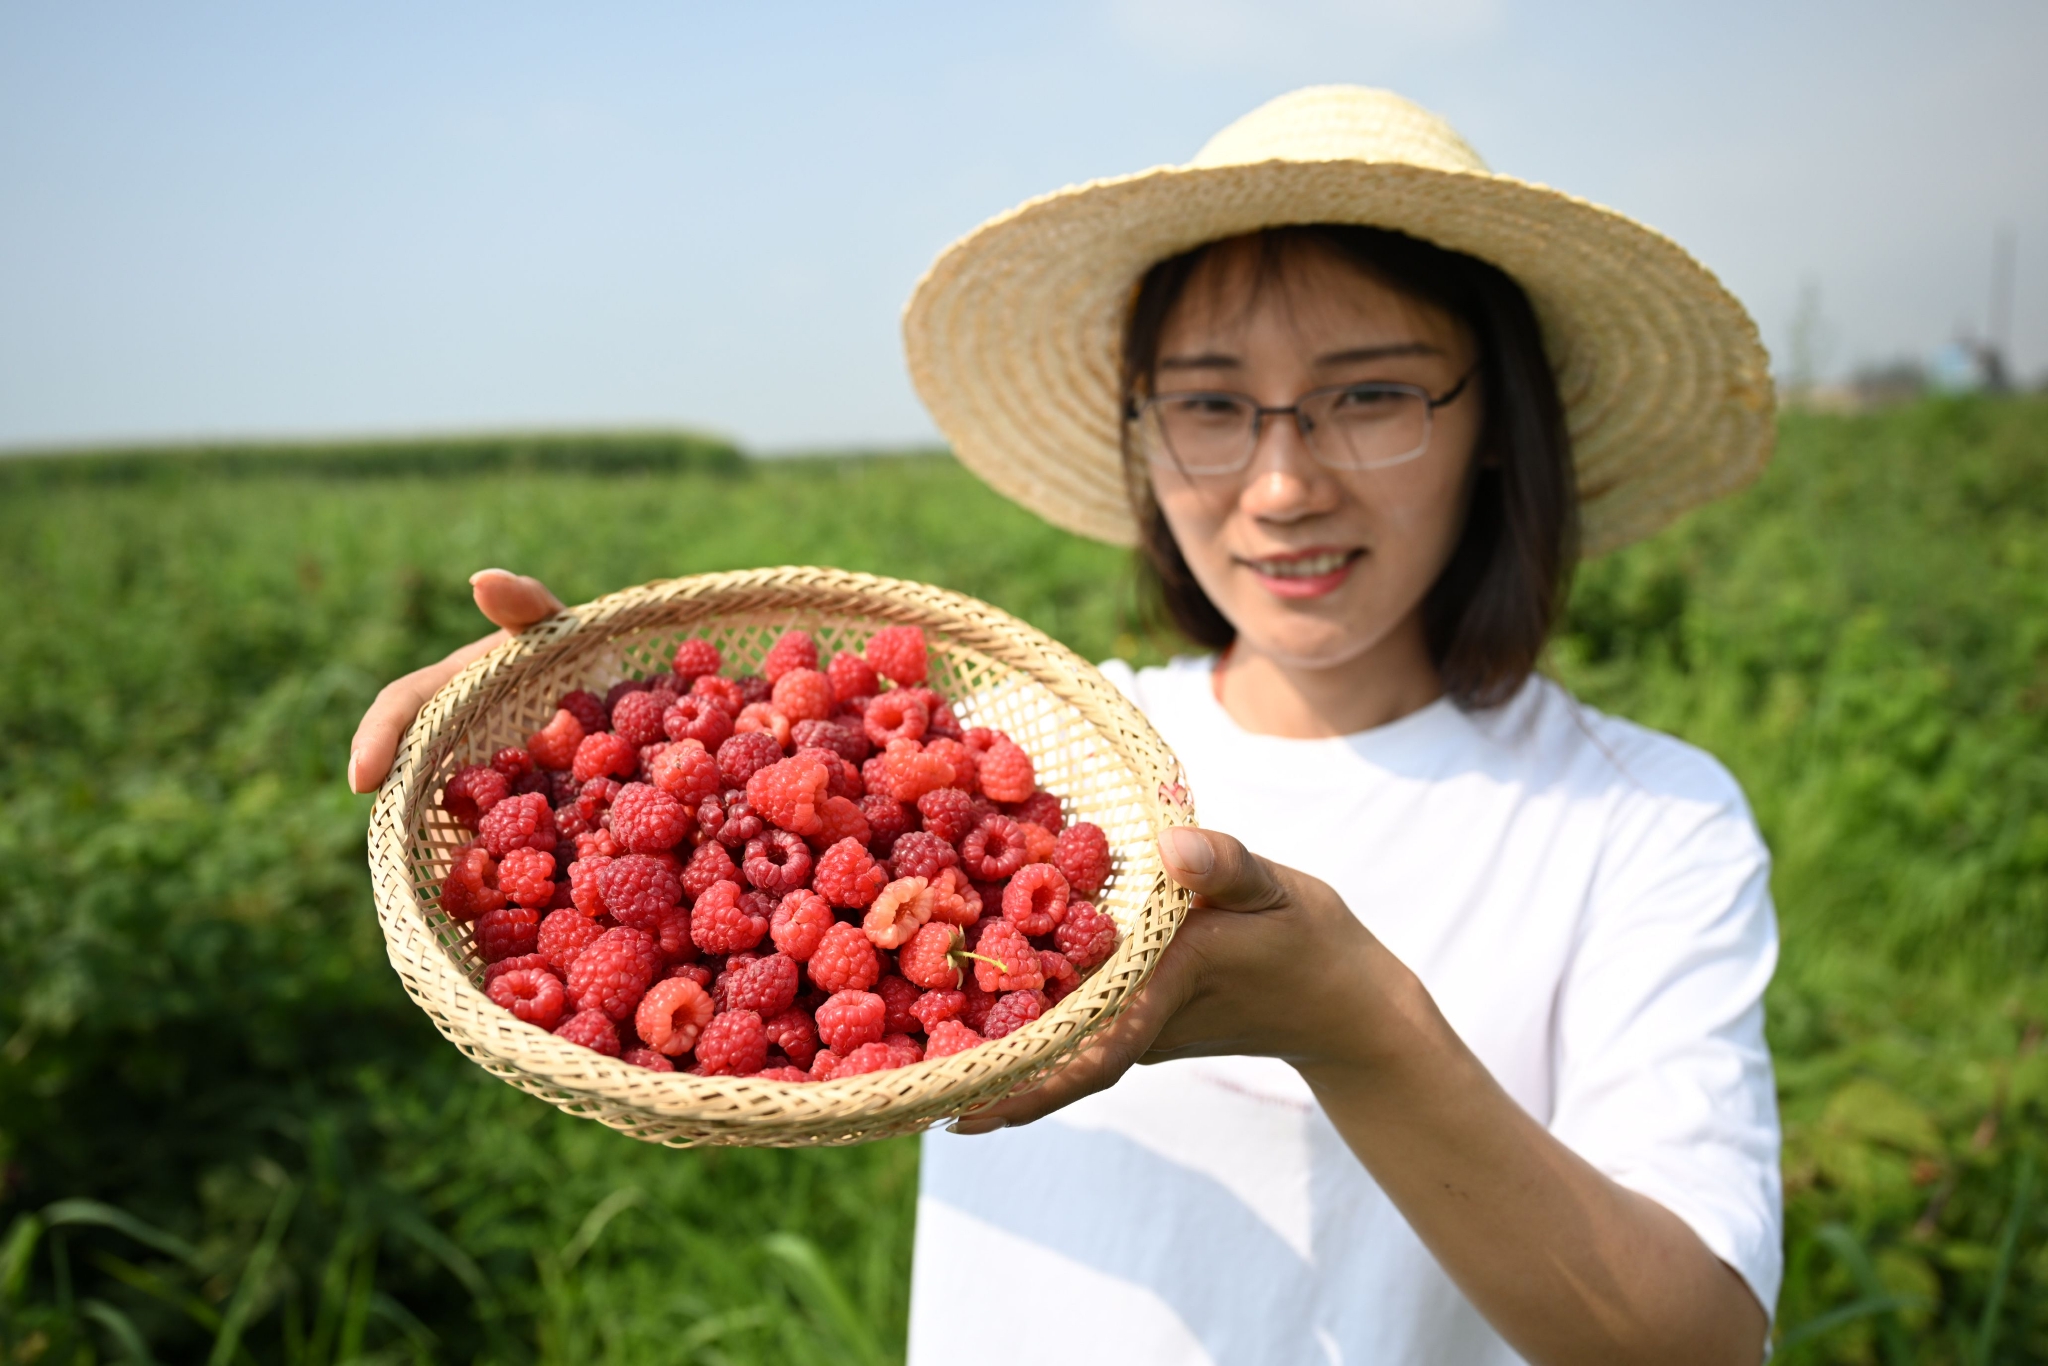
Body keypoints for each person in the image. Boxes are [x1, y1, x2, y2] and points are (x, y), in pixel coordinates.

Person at [349, 87, 1782, 1365]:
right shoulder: (1043, 764)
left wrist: (1359, 1029)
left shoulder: (1647, 822)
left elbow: (1701, 1345)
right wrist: (573, 755)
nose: (1283, 484)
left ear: (1498, 422)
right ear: (1147, 433)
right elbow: (762, 886)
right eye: (1212, 404)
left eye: (1371, 394)